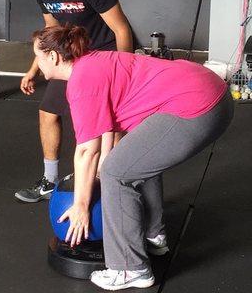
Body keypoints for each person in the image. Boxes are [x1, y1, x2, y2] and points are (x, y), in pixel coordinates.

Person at [33, 25, 233, 291]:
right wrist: (100, 173)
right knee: (130, 161)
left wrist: (81, 204)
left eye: (37, 55)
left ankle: (130, 269)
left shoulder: (82, 82)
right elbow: (109, 131)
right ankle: (154, 234)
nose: (35, 63)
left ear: (53, 57)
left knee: (118, 172)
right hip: (210, 91)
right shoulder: (93, 62)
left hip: (200, 105)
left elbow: (86, 150)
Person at [15, 0, 133, 202]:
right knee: (48, 112)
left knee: (108, 128)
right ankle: (49, 180)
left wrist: (124, 75)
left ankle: (108, 188)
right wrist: (33, 69)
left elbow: (121, 28)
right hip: (71, 57)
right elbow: (51, 32)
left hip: (104, 54)